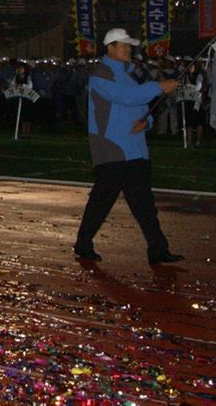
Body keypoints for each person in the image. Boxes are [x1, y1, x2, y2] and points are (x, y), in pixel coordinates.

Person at [73, 28, 183, 265]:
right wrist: (158, 87)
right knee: (102, 201)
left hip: (134, 148)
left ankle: (158, 249)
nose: (127, 49)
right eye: (123, 45)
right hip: (111, 148)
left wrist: (147, 121)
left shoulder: (129, 75)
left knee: (144, 204)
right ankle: (83, 243)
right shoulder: (100, 76)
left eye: (128, 45)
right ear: (110, 47)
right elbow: (126, 97)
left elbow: (138, 107)